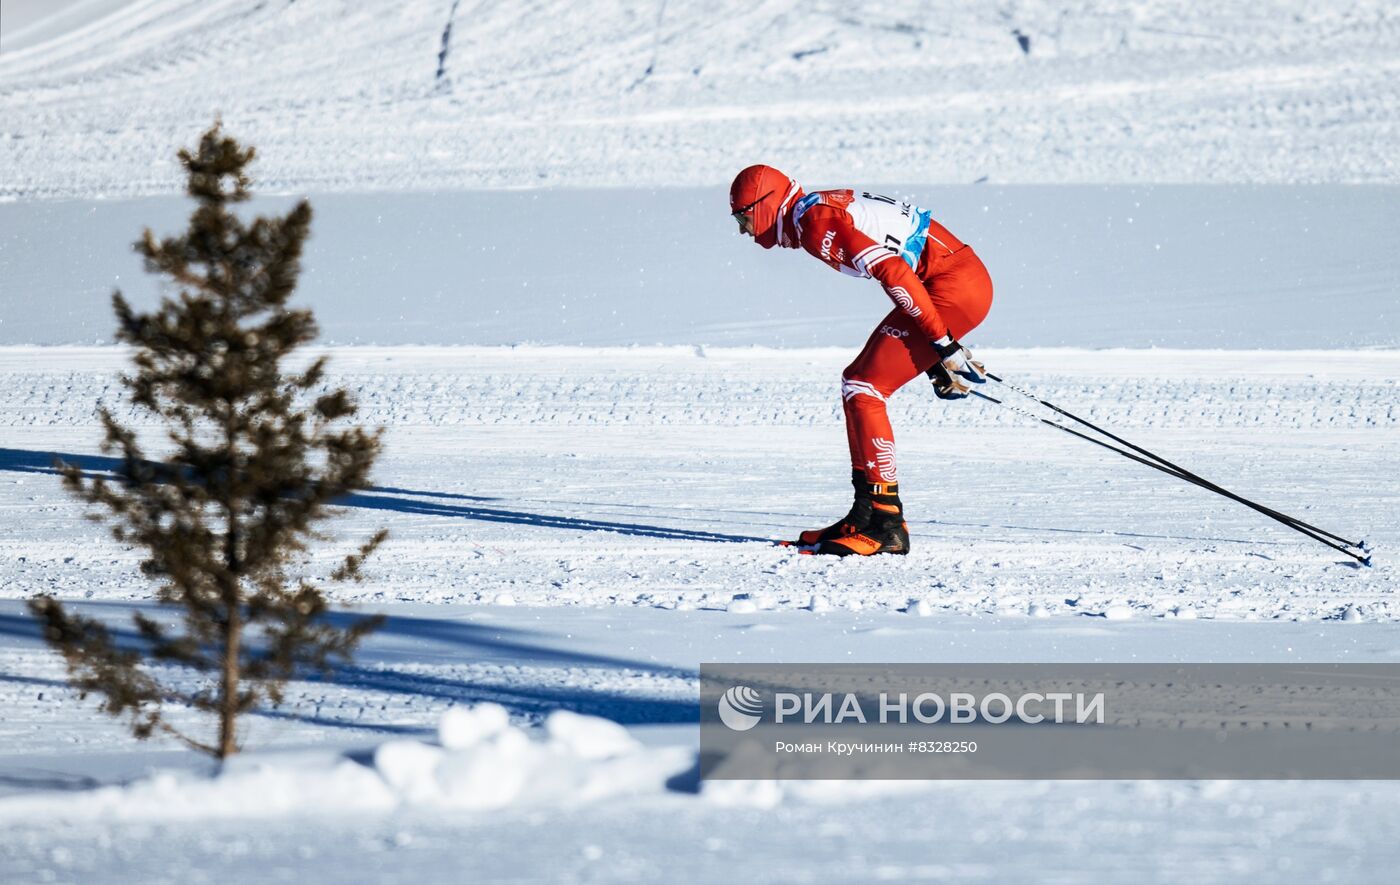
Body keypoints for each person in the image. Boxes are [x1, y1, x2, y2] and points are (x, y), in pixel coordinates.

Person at [729, 164, 993, 556]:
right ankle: (867, 511)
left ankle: (887, 523)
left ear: (765, 204)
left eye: (743, 217)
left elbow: (893, 270)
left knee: (865, 387)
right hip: (952, 279)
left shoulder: (815, 223)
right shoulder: (812, 212)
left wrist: (941, 342)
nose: (744, 231)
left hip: (954, 284)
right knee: (856, 382)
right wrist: (933, 346)